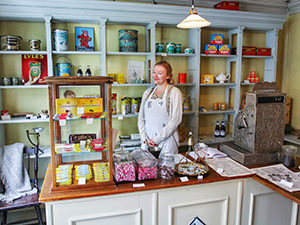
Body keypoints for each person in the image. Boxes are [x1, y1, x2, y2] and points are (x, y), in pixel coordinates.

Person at [138, 61, 183, 155]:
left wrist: (157, 139)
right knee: (147, 169)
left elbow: (176, 120)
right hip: (147, 143)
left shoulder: (175, 92)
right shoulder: (147, 93)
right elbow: (141, 119)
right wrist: (144, 138)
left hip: (167, 142)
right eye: (154, 72)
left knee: (166, 168)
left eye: (160, 73)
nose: (155, 75)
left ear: (168, 76)